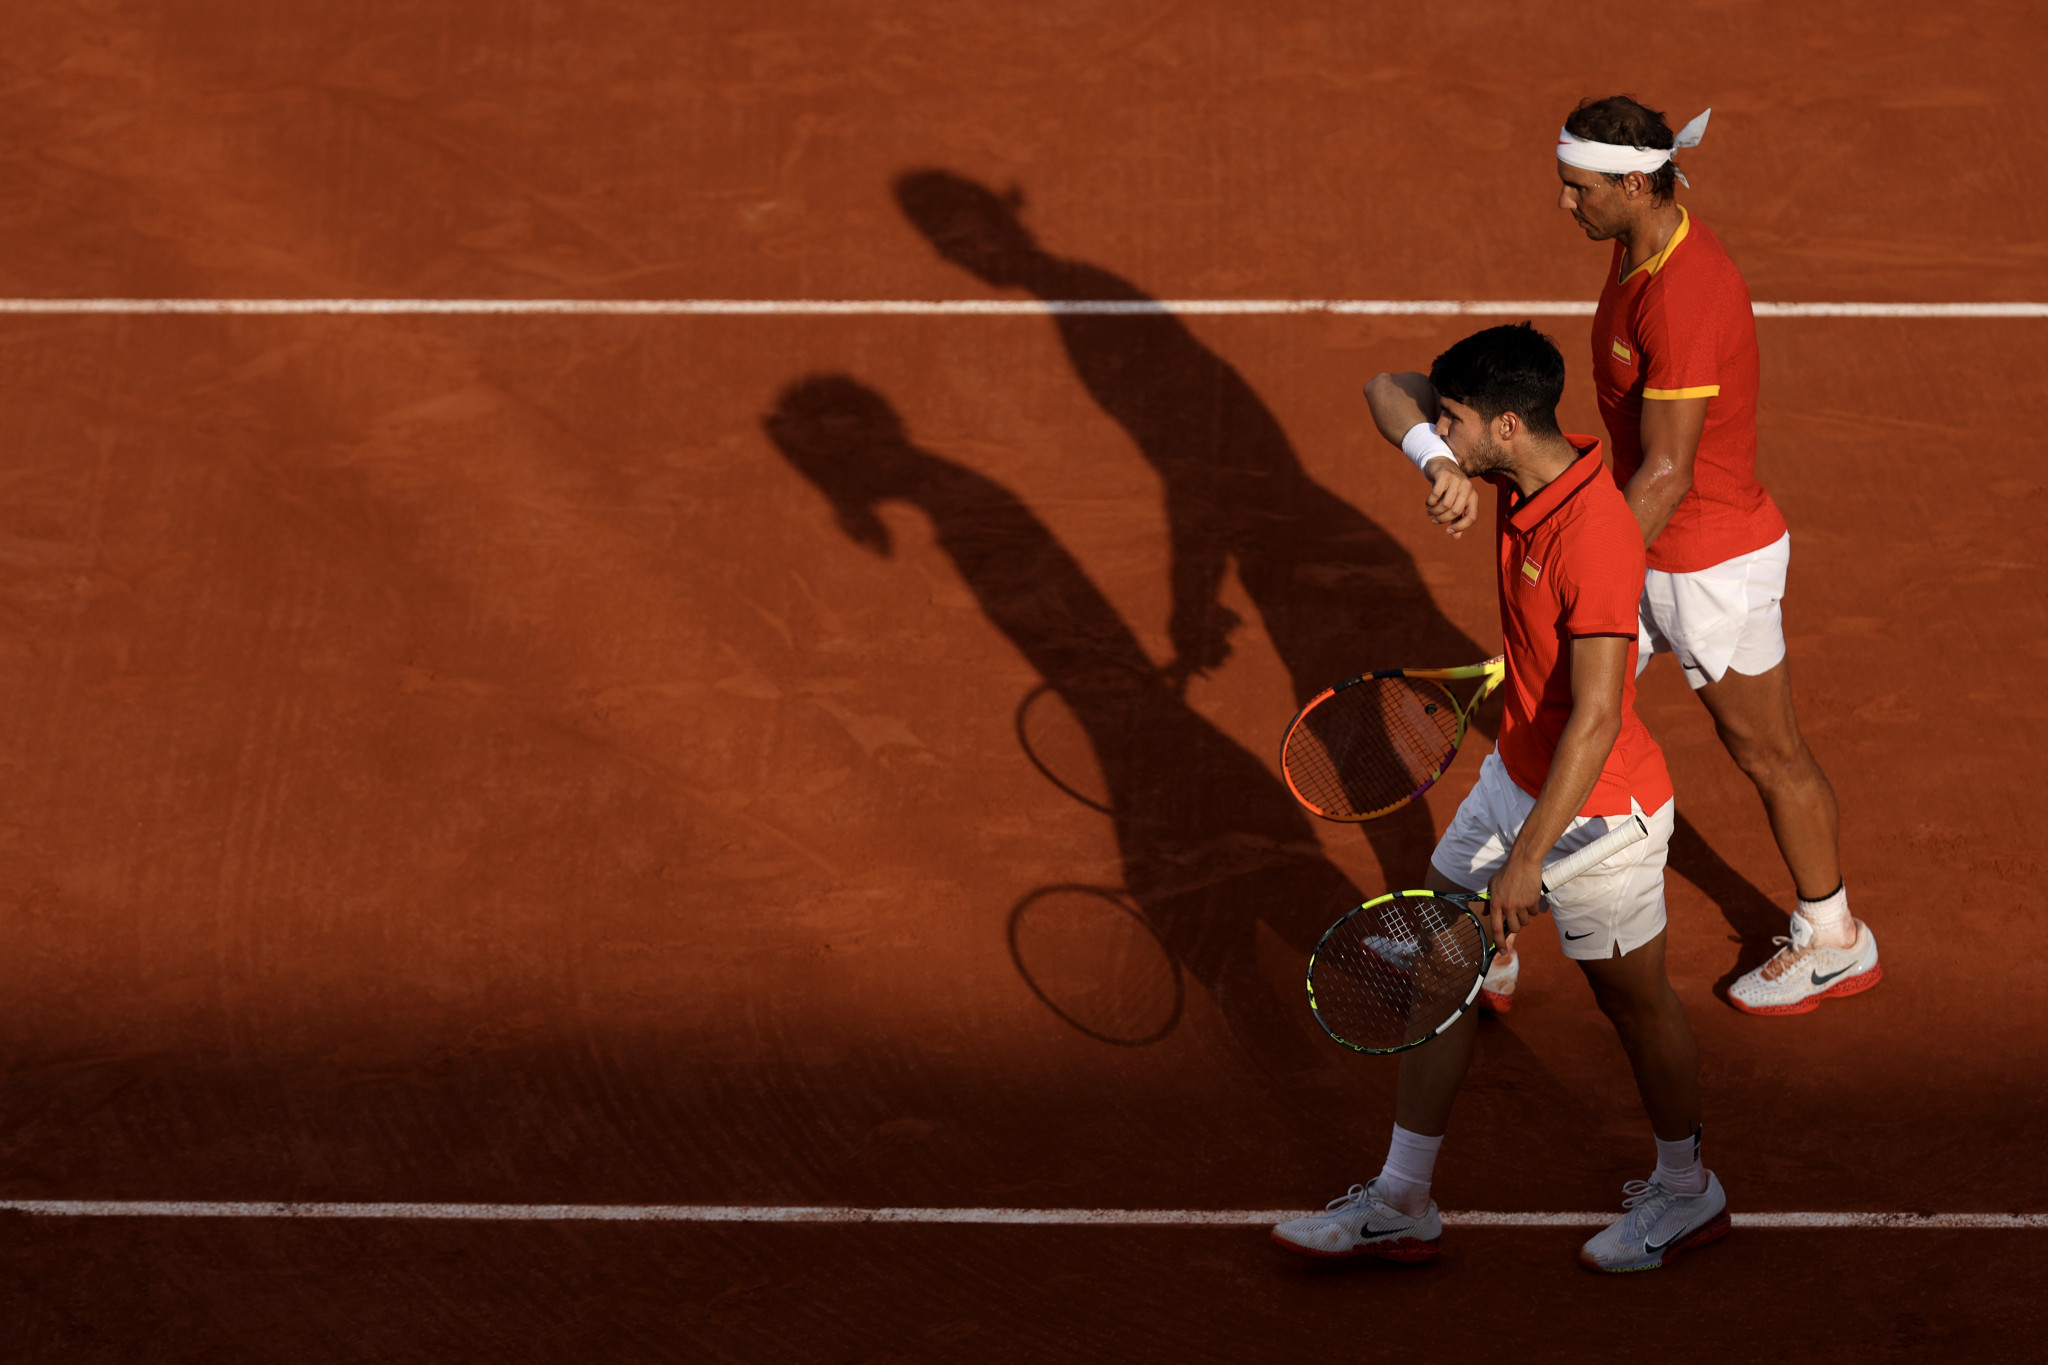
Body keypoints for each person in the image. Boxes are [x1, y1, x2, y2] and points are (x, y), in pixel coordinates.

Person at [1272, 324, 1727, 1272]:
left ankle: (1688, 1188)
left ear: (1508, 426)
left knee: (1634, 1005)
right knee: (1443, 963)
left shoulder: (1594, 537)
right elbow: (1382, 385)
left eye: (1456, 421)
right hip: (1515, 775)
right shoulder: (1517, 472)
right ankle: (1401, 1199)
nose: (1440, 427)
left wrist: (1530, 858)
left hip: (1601, 817)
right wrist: (1436, 458)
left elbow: (1598, 715)